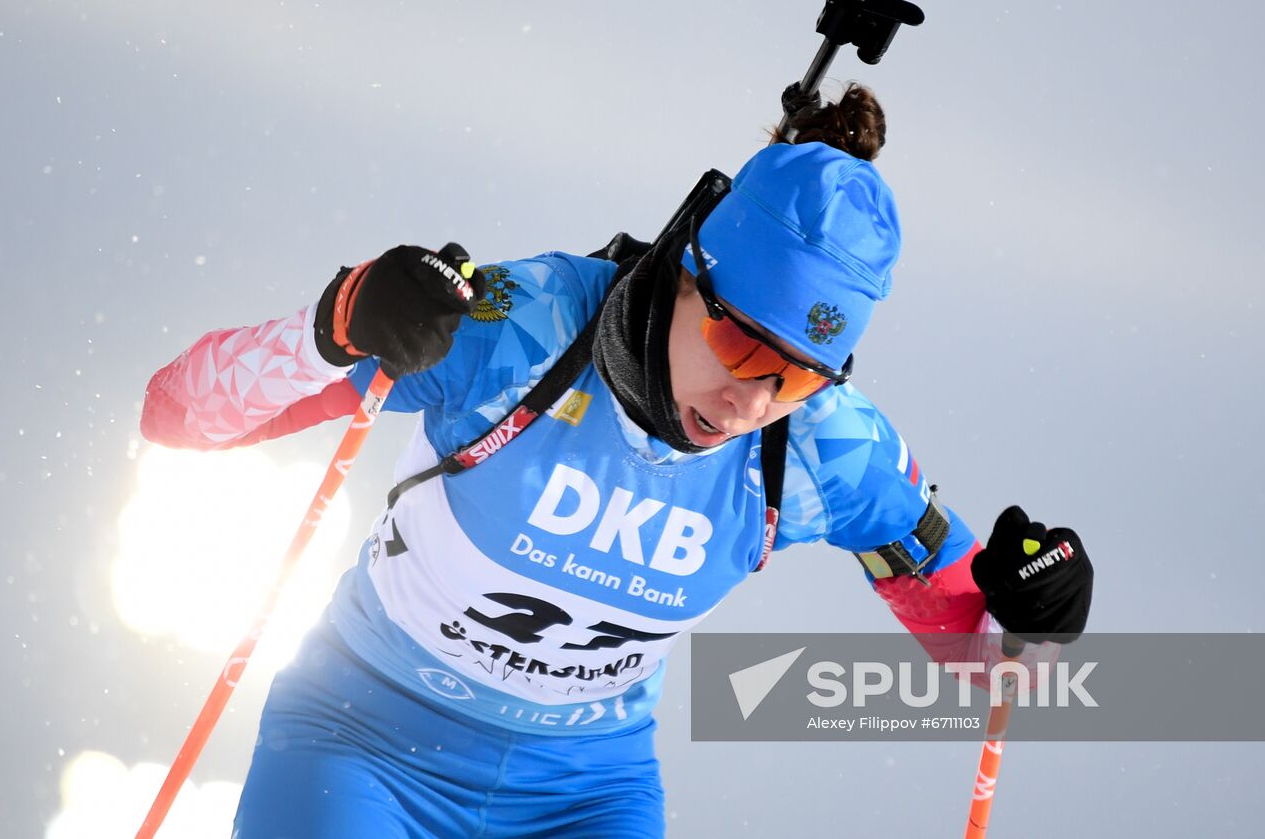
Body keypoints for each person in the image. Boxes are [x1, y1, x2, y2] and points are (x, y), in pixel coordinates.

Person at [141, 83, 1093, 838]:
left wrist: (1039, 620)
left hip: (584, 797)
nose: (752, 403)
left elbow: (996, 670)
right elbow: (179, 414)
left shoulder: (827, 446)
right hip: (364, 740)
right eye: (748, 351)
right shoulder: (521, 327)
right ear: (689, 271)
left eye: (799, 379)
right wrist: (339, 323)